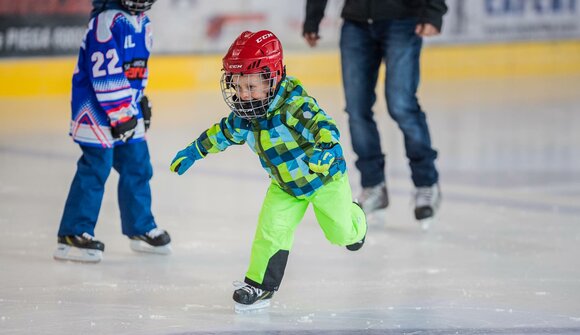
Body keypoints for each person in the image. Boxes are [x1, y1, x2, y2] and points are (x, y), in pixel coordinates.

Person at [169, 30, 367, 312]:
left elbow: (324, 127)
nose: (243, 94)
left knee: (341, 234)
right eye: (238, 87)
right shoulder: (245, 116)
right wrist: (196, 150)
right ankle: (260, 285)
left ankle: (357, 219)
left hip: (324, 179)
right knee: (271, 232)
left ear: (272, 78)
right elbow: (222, 133)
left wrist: (326, 149)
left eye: (251, 87)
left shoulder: (294, 106)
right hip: (285, 187)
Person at [302, 0, 446, 225]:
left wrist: (434, 12)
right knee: (357, 109)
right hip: (356, 23)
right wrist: (313, 17)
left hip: (403, 18)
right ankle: (373, 185)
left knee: (402, 105)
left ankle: (426, 182)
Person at [54, 0, 171, 263]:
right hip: (96, 110)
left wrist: (138, 100)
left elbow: (137, 69)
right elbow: (104, 72)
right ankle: (73, 232)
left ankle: (140, 226)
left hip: (126, 108)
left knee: (138, 165)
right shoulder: (106, 21)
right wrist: (121, 113)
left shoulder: (144, 23)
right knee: (96, 167)